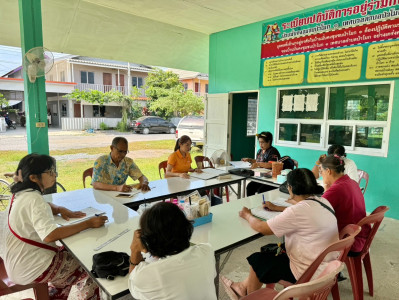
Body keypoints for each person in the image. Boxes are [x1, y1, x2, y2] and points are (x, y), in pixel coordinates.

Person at [221, 168, 338, 298]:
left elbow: (262, 228)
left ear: (290, 188)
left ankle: (248, 294)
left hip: (307, 272)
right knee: (271, 250)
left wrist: (247, 215)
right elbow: (301, 211)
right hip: (325, 267)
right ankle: (242, 287)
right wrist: (277, 208)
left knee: (258, 260)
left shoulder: (297, 211)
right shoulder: (323, 202)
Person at [4, 154, 108, 299]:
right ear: (34, 177)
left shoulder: (21, 193)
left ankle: (56, 294)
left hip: (18, 262)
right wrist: (87, 223)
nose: (55, 175)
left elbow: (44, 205)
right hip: (33, 267)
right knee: (92, 265)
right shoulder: (34, 199)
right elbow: (50, 235)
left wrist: (59, 209)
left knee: (70, 252)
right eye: (50, 172)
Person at [128, 202, 217, 300]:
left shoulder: (149, 274)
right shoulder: (206, 251)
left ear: (148, 241)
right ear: (187, 227)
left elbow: (133, 282)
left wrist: (134, 250)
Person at [319, 155, 370, 255]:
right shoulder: (352, 182)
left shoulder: (337, 189)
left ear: (328, 171)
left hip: (349, 240)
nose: (321, 175)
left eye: (322, 172)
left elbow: (317, 210)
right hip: (359, 235)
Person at [242, 132, 281, 196]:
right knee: (250, 186)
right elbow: (259, 161)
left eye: (262, 142)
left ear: (269, 142)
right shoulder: (260, 151)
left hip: (270, 179)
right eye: (259, 142)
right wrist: (250, 160)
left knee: (261, 191)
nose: (260, 144)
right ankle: (251, 205)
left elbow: (271, 164)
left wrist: (258, 164)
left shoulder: (273, 151)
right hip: (260, 177)